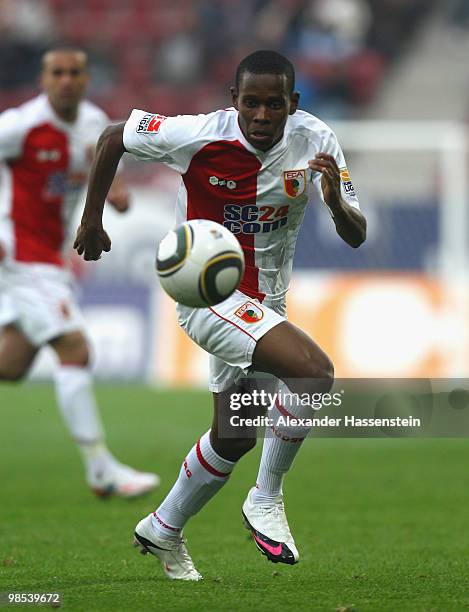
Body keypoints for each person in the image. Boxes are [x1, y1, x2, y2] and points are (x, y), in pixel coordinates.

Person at [74, 50, 366, 579]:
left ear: (291, 104)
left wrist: (336, 202)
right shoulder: (198, 134)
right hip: (206, 294)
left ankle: (162, 528)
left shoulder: (318, 141)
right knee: (313, 372)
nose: (260, 115)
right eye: (250, 103)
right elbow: (113, 136)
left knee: (233, 434)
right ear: (234, 101)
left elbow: (356, 233)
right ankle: (266, 498)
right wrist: (91, 219)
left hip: (265, 303)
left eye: (273, 105)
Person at [0, 47, 159, 498]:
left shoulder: (93, 124)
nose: (66, 80)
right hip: (18, 252)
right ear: (43, 79)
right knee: (74, 348)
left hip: (50, 254)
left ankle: (100, 469)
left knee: (11, 365)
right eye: (57, 73)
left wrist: (117, 192)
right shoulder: (19, 126)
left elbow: (103, 170)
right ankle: (100, 469)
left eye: (75, 73)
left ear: (87, 79)